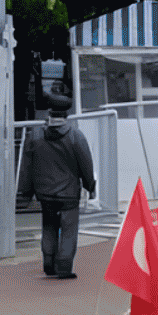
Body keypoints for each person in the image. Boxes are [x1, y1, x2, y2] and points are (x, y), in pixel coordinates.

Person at [22, 110, 96, 278]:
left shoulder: (35, 135)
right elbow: (86, 163)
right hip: (69, 193)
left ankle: (48, 262)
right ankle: (64, 265)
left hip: (45, 193)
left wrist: (25, 192)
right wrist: (90, 186)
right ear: (66, 117)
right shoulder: (76, 136)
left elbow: (27, 166)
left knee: (49, 225)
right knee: (69, 228)